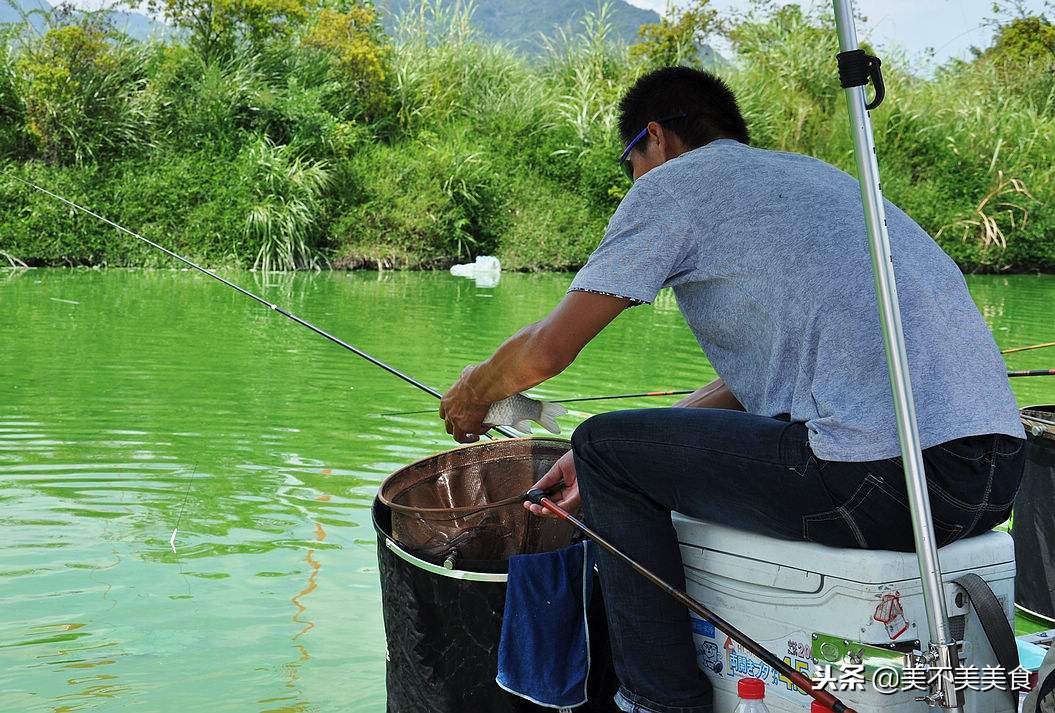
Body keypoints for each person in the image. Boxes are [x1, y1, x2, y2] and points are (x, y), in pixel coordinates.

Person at [439, 66, 1026, 713]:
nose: (633, 178)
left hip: (880, 480)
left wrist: (473, 392)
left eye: (628, 161)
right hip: (992, 479)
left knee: (601, 439)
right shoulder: (817, 181)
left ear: (654, 139)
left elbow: (548, 349)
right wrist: (612, 460)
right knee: (609, 448)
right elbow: (749, 388)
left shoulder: (673, 187)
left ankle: (658, 701)